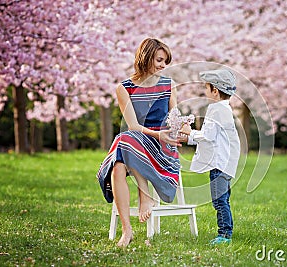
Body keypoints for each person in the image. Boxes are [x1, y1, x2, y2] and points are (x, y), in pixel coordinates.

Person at [97, 38, 180, 247]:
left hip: (162, 148)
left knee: (123, 141)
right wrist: (157, 134)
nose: (162, 65)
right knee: (118, 165)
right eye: (159, 60)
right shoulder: (124, 88)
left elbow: (174, 117)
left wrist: (184, 128)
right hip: (136, 142)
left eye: (165, 62)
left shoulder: (168, 84)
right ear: (146, 57)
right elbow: (133, 125)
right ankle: (127, 230)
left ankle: (144, 196)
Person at [179, 69, 240, 245]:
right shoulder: (223, 109)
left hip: (220, 165)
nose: (205, 92)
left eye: (207, 88)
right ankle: (226, 232)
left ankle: (225, 235)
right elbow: (212, 136)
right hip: (224, 163)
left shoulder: (217, 110)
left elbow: (208, 136)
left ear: (215, 90)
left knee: (220, 201)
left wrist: (190, 132)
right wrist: (189, 137)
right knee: (223, 200)